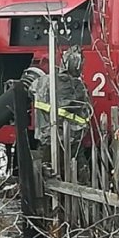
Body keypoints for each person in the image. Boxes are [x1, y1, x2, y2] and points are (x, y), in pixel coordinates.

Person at [33, 45, 93, 176]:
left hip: (45, 139)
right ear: (76, 64)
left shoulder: (43, 81)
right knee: (79, 177)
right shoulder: (76, 87)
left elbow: (30, 90)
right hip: (70, 141)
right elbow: (84, 111)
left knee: (43, 177)